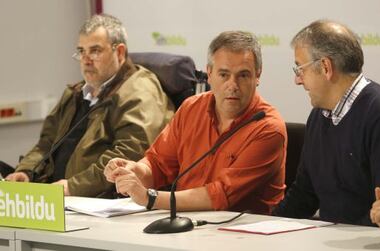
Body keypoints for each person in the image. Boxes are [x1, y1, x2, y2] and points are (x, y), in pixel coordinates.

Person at [104, 31, 287, 214]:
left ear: (258, 76)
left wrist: (150, 198)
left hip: (243, 232)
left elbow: (221, 194)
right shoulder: (192, 108)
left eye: (243, 75)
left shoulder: (269, 128)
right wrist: (135, 172)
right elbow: (158, 164)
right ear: (209, 73)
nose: (233, 85)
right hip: (186, 223)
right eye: (224, 75)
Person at [5, 14, 174, 197]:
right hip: (55, 195)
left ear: (120, 52)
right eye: (81, 51)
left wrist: (72, 187)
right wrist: (26, 171)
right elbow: (46, 143)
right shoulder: (75, 93)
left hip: (97, 201)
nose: (86, 60)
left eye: (95, 51)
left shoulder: (141, 92)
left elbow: (128, 155)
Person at [272, 20, 380, 225]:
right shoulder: (319, 115)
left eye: (299, 70)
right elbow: (304, 195)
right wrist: (262, 228)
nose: (298, 80)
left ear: (325, 67)